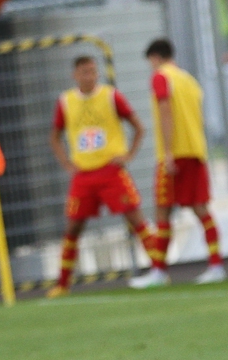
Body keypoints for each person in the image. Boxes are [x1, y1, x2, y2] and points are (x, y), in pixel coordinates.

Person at [47, 56, 154, 298]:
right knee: (73, 227)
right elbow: (54, 136)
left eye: (93, 71)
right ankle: (62, 284)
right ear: (75, 75)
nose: (90, 76)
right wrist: (66, 163)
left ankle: (159, 269)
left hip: (111, 171)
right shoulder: (66, 101)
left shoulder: (111, 96)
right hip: (83, 174)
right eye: (85, 72)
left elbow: (138, 126)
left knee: (136, 218)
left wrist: (128, 154)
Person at [131, 38, 226, 288]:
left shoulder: (161, 77)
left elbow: (165, 111)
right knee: (201, 208)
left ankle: (159, 272)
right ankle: (216, 265)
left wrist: (168, 151)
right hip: (195, 150)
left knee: (162, 211)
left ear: (155, 58)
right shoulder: (188, 80)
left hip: (174, 153)